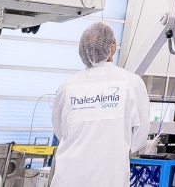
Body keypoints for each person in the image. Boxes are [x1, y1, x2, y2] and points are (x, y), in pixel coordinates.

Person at [51, 21, 150, 187]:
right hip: (110, 177)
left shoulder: (67, 86)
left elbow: (59, 130)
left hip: (67, 178)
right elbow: (140, 135)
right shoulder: (131, 82)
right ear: (112, 47)